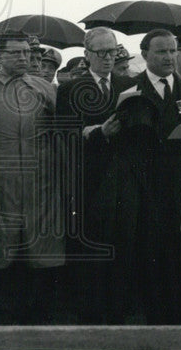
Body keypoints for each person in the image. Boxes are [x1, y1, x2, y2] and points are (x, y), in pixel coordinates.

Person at [0, 31, 64, 323]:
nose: (24, 58)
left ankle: (37, 315)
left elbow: (62, 129)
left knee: (39, 246)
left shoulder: (44, 88)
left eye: (26, 53)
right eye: (15, 53)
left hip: (38, 182)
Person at [55, 27, 138, 323]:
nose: (107, 58)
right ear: (87, 54)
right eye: (101, 52)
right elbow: (64, 135)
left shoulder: (129, 84)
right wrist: (97, 133)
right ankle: (91, 312)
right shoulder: (69, 89)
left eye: (112, 51)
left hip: (124, 176)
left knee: (123, 243)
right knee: (92, 247)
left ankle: (119, 311)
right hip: (89, 178)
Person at [128, 29, 181, 324]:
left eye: (172, 51)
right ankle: (155, 315)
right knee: (152, 252)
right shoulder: (131, 89)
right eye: (161, 52)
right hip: (146, 185)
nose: (169, 57)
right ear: (145, 55)